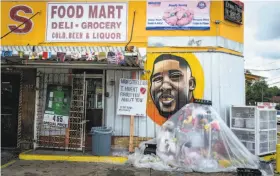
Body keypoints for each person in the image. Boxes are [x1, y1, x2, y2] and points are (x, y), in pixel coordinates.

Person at [150, 54, 196, 119]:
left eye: (175, 76)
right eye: (157, 79)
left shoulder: (201, 117)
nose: (165, 87)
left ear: (191, 84)